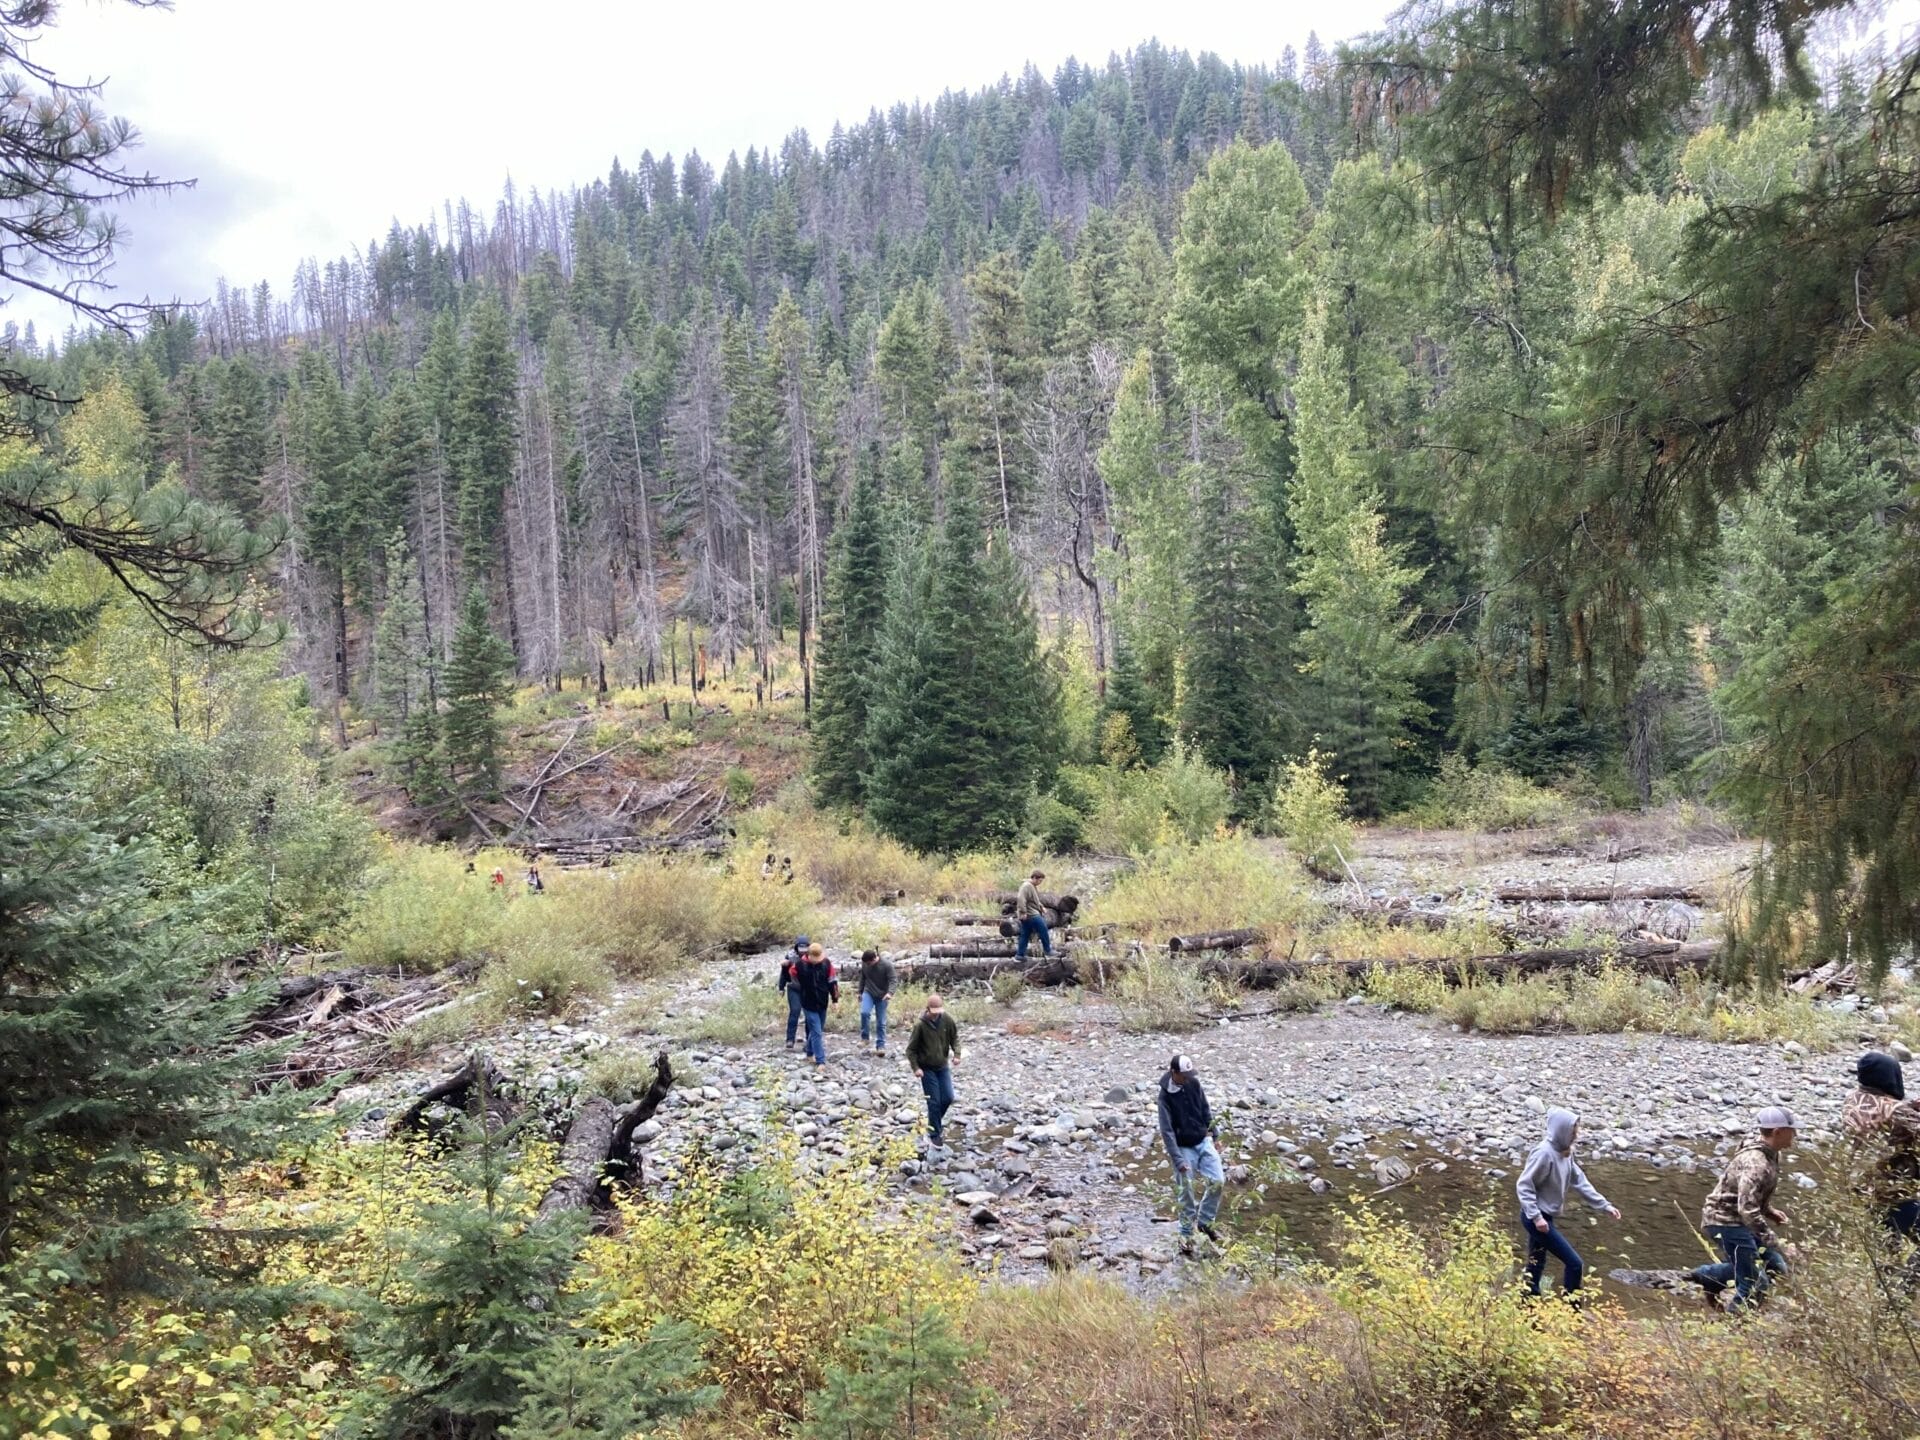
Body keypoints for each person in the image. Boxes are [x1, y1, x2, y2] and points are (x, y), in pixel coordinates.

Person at [1689, 1106, 1798, 1312]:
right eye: (1792, 1130)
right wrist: (1778, 1243)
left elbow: (1750, 1195)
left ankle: (1710, 1278)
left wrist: (1769, 1210)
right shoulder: (1756, 1163)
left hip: (1739, 1220)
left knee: (1776, 1267)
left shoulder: (1772, 1154)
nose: (1795, 1134)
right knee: (1755, 1282)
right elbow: (1747, 1210)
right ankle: (1735, 1327)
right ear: (1777, 1132)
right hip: (1724, 1222)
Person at [1515, 1108, 1622, 1297]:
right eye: (1573, 1131)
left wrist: (1605, 1205)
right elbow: (1524, 1185)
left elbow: (1580, 1181)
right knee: (1575, 1263)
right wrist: (1537, 1217)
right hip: (1535, 1217)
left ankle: (1527, 1303)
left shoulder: (1566, 1152)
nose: (1576, 1135)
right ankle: (1572, 1310)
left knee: (1536, 1262)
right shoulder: (1544, 1154)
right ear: (1561, 1131)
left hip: (1544, 1215)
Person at [1844, 1051, 1920, 1242]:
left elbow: (1879, 1116)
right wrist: (1907, 1111)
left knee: (1886, 1242)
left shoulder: (1853, 1098)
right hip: (1893, 1192)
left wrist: (1910, 1108)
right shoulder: (1897, 1110)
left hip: (1861, 1186)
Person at [1158, 1054, 1224, 1254]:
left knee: (1218, 1180)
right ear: (1173, 1073)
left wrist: (1216, 1134)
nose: (1187, 1079)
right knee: (1185, 1189)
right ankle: (1186, 1234)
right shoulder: (1164, 1097)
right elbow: (1166, 1131)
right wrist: (1178, 1159)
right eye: (1183, 1076)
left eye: (1189, 1075)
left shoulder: (1194, 1083)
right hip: (1182, 1147)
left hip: (1203, 1139)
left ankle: (1205, 1222)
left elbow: (1205, 1108)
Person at [906, 994, 961, 1147]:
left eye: (939, 1010)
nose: (936, 1013)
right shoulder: (920, 1026)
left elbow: (955, 1038)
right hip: (927, 1069)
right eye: (934, 1011)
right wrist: (916, 1068)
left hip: (942, 1066)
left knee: (948, 1097)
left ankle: (932, 1124)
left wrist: (957, 1054)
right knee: (934, 1102)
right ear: (928, 1009)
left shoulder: (947, 1020)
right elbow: (910, 1050)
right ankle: (934, 1134)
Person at [792, 941, 839, 1067]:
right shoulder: (799, 965)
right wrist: (800, 990)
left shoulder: (826, 963)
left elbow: (833, 983)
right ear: (809, 955)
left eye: (819, 957)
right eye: (815, 958)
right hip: (807, 1003)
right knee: (817, 1031)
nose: (818, 960)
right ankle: (820, 1061)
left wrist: (835, 1000)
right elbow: (792, 976)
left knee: (816, 1030)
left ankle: (809, 1052)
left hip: (823, 1002)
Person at [857, 948, 895, 1054]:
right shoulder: (865, 964)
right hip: (868, 992)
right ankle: (865, 1038)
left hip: (883, 995)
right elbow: (863, 978)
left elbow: (893, 980)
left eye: (869, 963)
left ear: (874, 959)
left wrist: (890, 993)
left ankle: (881, 1046)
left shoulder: (887, 965)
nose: (867, 965)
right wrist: (859, 992)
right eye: (866, 963)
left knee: (881, 1022)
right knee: (864, 1012)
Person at [1014, 870, 1052, 960]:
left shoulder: (1032, 886)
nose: (1040, 883)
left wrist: (1041, 907)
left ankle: (1020, 955)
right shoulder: (1026, 886)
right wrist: (1023, 912)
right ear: (1034, 878)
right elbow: (1021, 898)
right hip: (1031, 914)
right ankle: (1048, 950)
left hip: (1030, 913)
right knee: (1043, 929)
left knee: (1025, 934)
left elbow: (1034, 899)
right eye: (1039, 881)